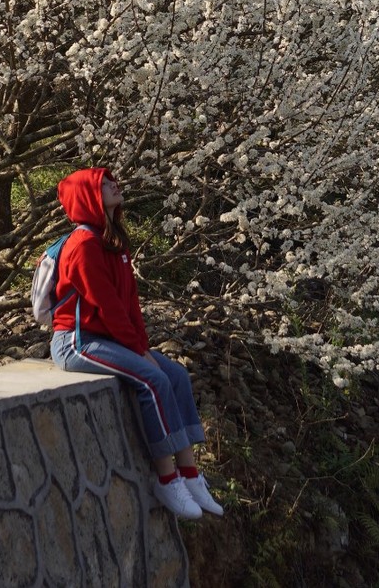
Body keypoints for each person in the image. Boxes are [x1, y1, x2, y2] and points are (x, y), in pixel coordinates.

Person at [49, 166, 224, 521]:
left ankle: (190, 473)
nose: (116, 184)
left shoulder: (113, 242)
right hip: (76, 342)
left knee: (174, 374)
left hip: (105, 337)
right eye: (105, 183)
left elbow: (129, 305)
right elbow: (108, 306)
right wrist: (139, 351)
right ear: (89, 197)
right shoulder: (83, 246)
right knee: (152, 379)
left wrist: (142, 344)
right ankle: (167, 476)